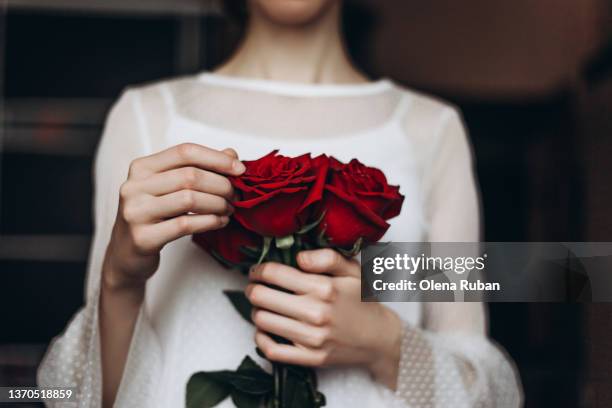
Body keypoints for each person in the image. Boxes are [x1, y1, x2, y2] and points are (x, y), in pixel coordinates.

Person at [38, 0, 522, 406]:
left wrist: (384, 343)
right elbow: (75, 397)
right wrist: (120, 279)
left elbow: (487, 392)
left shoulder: (430, 131)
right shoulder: (147, 117)